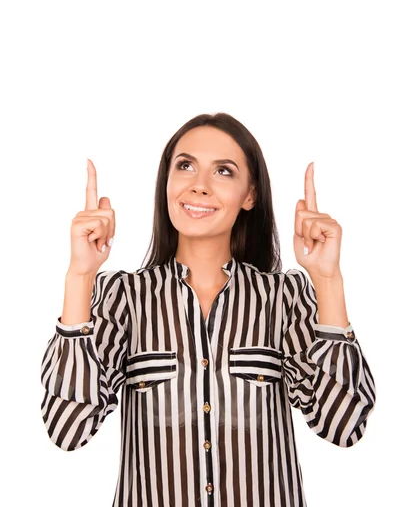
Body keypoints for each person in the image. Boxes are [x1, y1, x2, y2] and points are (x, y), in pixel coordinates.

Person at [40, 112, 376, 507]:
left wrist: (328, 279)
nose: (199, 186)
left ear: (250, 195)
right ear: (167, 182)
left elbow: (345, 424)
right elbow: (67, 429)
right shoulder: (123, 297)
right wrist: (79, 277)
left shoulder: (282, 297)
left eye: (223, 171)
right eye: (185, 166)